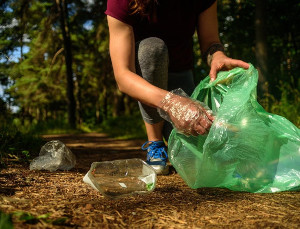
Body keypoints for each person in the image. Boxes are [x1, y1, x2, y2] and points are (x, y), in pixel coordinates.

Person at [105, 0, 249, 175]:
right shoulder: (121, 2)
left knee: (197, 156)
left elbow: (211, 41)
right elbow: (123, 75)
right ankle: (155, 142)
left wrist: (217, 56)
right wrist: (171, 103)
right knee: (152, 49)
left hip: (181, 74)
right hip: (146, 81)